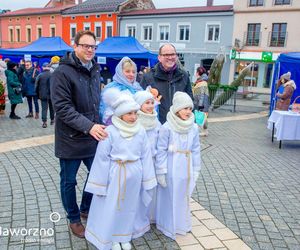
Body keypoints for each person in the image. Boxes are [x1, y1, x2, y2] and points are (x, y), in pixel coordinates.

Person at [50, 30, 107, 238]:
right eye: (86, 46)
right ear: (75, 46)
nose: (90, 50)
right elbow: (63, 108)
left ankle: (85, 207)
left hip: (92, 137)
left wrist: (101, 123)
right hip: (70, 139)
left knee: (97, 175)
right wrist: (90, 126)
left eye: (93, 46)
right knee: (69, 181)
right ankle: (73, 218)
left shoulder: (95, 70)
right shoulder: (62, 73)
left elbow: (94, 102)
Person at [85, 89, 156, 250]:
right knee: (112, 206)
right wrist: (100, 183)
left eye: (135, 113)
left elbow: (146, 155)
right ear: (120, 114)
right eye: (129, 113)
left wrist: (148, 179)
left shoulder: (140, 131)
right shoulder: (110, 132)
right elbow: (102, 158)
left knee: (130, 206)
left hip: (134, 174)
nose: (133, 117)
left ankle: (124, 236)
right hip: (115, 174)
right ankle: (112, 237)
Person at [155, 91, 201, 240]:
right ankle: (168, 224)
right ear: (176, 109)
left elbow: (195, 149)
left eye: (190, 108)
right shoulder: (167, 127)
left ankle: (182, 223)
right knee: (170, 194)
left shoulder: (193, 127)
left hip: (186, 165)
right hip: (171, 165)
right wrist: (161, 171)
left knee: (183, 195)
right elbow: (161, 150)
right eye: (184, 108)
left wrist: (195, 168)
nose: (188, 112)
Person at [140, 44, 193, 123]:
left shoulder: (183, 76)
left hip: (178, 125)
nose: (170, 57)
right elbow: (140, 102)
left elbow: (190, 101)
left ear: (176, 56)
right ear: (159, 58)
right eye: (166, 55)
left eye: (172, 54)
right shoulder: (148, 77)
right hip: (156, 125)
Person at [134, 90, 161, 230]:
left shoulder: (155, 120)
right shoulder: (135, 120)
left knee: (152, 189)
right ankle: (137, 215)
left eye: (152, 102)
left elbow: (160, 139)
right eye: (147, 103)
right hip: (140, 162)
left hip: (154, 161)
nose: (150, 106)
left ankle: (150, 214)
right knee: (139, 189)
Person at [100, 56, 143, 125]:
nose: (131, 74)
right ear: (120, 72)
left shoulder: (138, 88)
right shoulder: (111, 88)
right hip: (117, 128)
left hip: (136, 127)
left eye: (133, 72)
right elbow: (103, 110)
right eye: (127, 71)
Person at [35, 62, 54, 128]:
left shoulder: (40, 75)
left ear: (43, 67)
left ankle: (44, 122)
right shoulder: (53, 75)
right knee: (52, 108)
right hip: (52, 94)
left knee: (44, 109)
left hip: (43, 94)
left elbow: (36, 86)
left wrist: (37, 94)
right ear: (49, 67)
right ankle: (52, 120)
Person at [193, 66, 209, 136]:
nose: (196, 73)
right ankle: (204, 131)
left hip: (202, 103)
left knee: (202, 117)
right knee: (201, 117)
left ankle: (204, 131)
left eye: (196, 72)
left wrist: (200, 105)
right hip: (199, 102)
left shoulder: (202, 82)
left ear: (198, 72)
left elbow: (202, 94)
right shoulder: (200, 81)